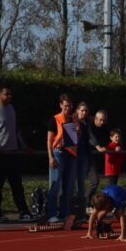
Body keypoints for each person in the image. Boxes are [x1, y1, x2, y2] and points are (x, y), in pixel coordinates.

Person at [0, 86, 33, 222]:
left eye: (10, 94)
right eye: (6, 94)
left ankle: (23, 211)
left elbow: (16, 131)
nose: (9, 96)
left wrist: (23, 146)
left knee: (17, 184)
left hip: (12, 153)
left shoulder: (11, 109)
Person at [46, 94, 77, 223]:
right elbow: (49, 140)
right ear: (60, 105)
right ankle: (52, 213)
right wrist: (50, 157)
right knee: (55, 184)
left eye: (69, 106)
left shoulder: (73, 119)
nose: (67, 108)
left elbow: (75, 139)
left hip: (70, 153)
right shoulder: (55, 119)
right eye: (65, 106)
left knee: (67, 186)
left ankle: (64, 213)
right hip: (58, 152)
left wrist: (77, 131)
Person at [87, 109, 110, 206]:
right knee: (94, 181)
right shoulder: (88, 123)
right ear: (95, 118)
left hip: (93, 156)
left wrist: (122, 145)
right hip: (84, 155)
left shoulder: (105, 127)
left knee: (95, 181)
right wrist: (97, 146)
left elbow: (114, 135)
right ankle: (84, 202)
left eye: (104, 120)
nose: (102, 122)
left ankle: (86, 202)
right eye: (100, 120)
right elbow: (89, 136)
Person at [74, 102, 92, 211]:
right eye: (82, 110)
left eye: (86, 111)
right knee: (71, 182)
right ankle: (70, 206)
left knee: (81, 181)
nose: (84, 113)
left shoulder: (87, 123)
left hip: (84, 155)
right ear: (77, 110)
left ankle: (81, 207)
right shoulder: (73, 121)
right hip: (74, 155)